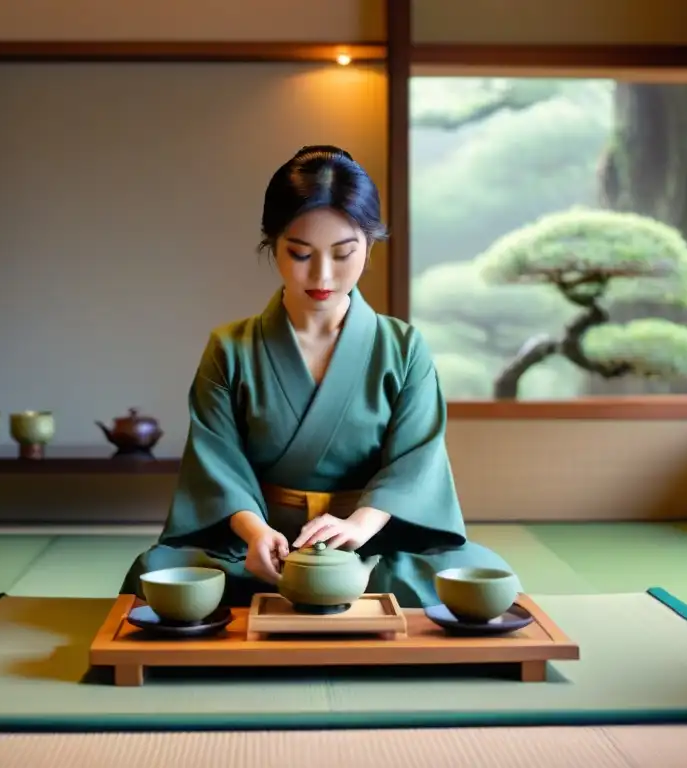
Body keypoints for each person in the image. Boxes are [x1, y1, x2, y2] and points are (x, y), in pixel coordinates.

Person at [120, 144, 515, 609]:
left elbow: (416, 462)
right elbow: (216, 463)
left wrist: (358, 527)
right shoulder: (230, 349)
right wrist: (254, 531)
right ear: (273, 244)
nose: (323, 274)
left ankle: (341, 581)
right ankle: (323, 587)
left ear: (369, 245)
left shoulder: (403, 348)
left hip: (366, 544)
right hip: (261, 547)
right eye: (301, 253)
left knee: (484, 571)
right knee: (157, 570)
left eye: (343, 253)